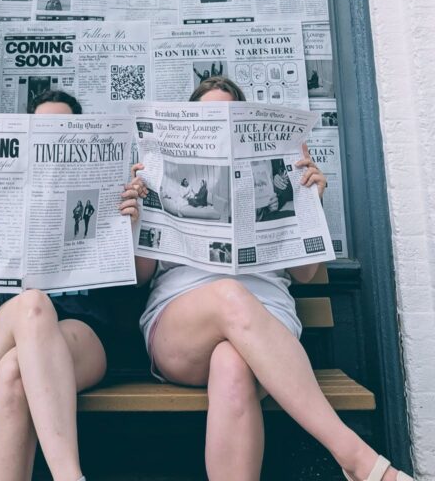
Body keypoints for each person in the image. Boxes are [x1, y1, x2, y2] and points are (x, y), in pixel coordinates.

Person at [134, 76, 414, 481]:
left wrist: (310, 204)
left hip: (267, 328)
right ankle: (355, 457)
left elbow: (303, 274)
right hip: (180, 330)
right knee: (228, 294)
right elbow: (142, 277)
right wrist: (138, 215)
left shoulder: (280, 172)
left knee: (232, 363)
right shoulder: (160, 173)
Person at [0, 88, 143, 481]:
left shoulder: (109, 185)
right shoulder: (4, 187)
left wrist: (131, 226)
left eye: (64, 127)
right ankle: (69, 476)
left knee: (13, 373)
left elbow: (140, 278)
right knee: (34, 304)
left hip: (82, 330)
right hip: (11, 322)